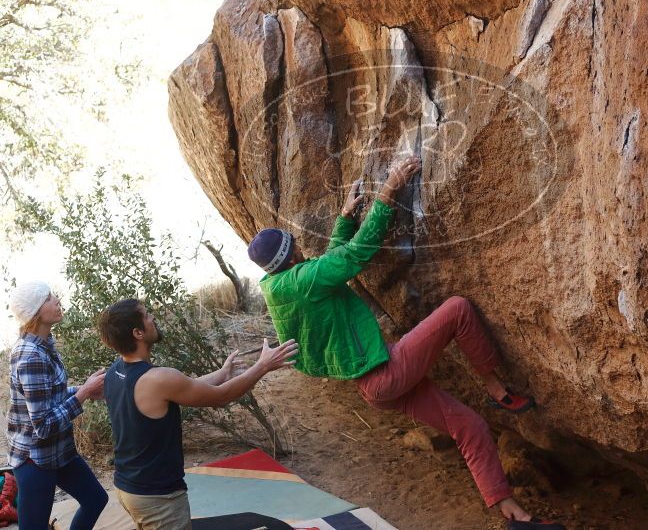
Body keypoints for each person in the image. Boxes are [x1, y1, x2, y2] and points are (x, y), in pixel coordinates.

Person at [247, 156, 564, 529]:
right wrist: (388, 191)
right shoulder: (302, 280)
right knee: (458, 310)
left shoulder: (284, 288)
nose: (302, 250)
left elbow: (330, 264)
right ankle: (497, 390)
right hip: (387, 372)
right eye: (296, 246)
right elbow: (353, 256)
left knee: (470, 427)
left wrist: (346, 218)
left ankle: (513, 514)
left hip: (377, 386)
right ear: (292, 255)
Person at [96, 298, 298, 530]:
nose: (153, 318)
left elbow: (185, 389)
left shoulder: (115, 372)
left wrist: (222, 373)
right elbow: (220, 397)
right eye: (147, 315)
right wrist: (262, 366)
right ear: (138, 333)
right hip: (158, 498)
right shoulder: (158, 378)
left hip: (129, 487)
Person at [6, 281, 108, 529]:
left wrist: (84, 390)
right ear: (37, 310)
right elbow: (42, 424)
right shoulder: (30, 356)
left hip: (58, 452)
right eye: (50, 298)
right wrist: (82, 394)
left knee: (96, 499)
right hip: (35, 460)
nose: (57, 300)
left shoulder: (44, 345)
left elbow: (49, 395)